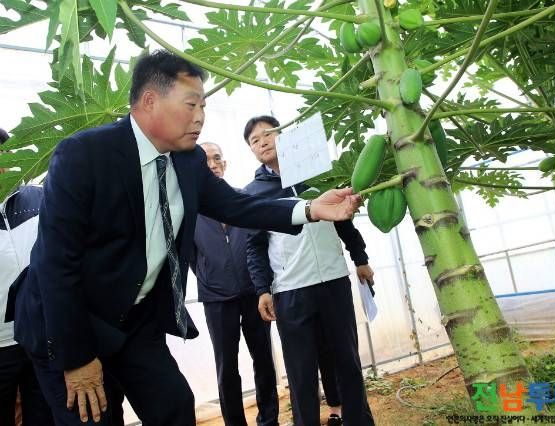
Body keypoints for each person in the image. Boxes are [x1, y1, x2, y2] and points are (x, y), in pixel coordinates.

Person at [9, 51, 360, 426]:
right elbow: (55, 264)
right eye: (191, 104)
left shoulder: (188, 160)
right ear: (150, 101)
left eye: (203, 106)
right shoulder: (84, 155)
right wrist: (77, 358)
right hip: (67, 321)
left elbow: (238, 206)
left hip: (132, 321)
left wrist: (311, 209)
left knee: (175, 407)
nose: (200, 116)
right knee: (94, 418)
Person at [243, 116, 375, 426]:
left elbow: (344, 221)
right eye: (254, 140)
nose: (262, 142)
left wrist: (360, 258)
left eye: (267, 134)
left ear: (284, 136)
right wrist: (262, 289)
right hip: (290, 289)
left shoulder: (318, 174)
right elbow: (255, 246)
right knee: (301, 373)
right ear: (251, 149)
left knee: (348, 362)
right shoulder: (253, 192)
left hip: (333, 280)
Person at [190, 142, 279, 426]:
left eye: (217, 158)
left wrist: (262, 285)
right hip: (216, 298)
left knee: (263, 359)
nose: (212, 165)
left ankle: (269, 420)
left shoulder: (243, 199)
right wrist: (208, 276)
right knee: (226, 366)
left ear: (224, 164)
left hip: (254, 293)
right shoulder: (190, 209)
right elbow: (190, 255)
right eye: (205, 161)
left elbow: (260, 243)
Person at [0, 128, 54, 425]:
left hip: (40, 335)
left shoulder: (41, 198)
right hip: (0, 342)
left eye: (3, 152)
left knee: (43, 416)